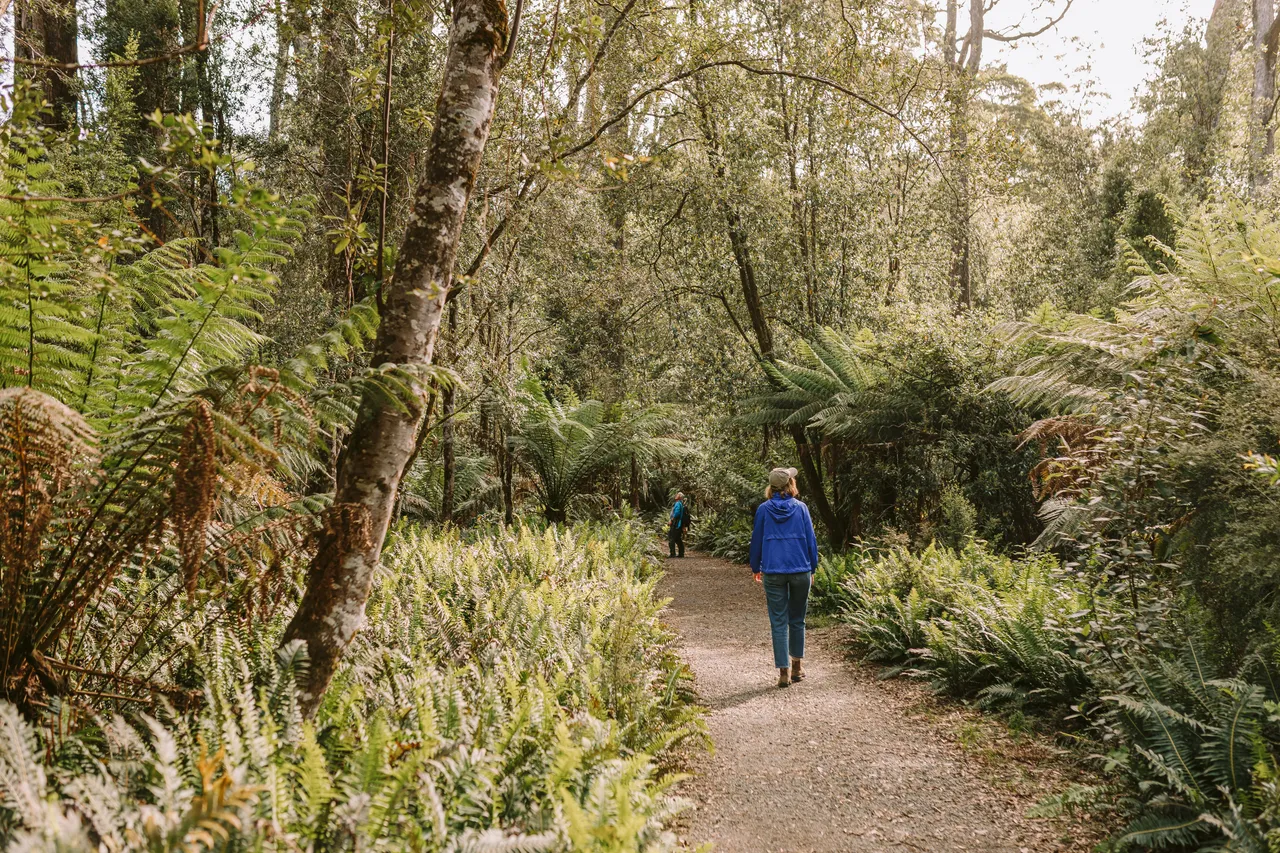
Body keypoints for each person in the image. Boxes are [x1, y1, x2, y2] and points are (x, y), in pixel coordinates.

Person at [749, 466, 819, 688]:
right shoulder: (801, 509)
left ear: (771, 487)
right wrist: (813, 568)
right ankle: (797, 666)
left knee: (778, 621)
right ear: (790, 485)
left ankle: (783, 673)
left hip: (773, 571)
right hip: (800, 570)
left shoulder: (763, 510)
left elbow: (757, 539)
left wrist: (755, 567)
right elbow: (811, 540)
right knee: (797, 619)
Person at [668, 491, 690, 558]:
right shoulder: (680, 503)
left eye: (677, 495)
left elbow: (677, 513)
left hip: (676, 524)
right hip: (679, 524)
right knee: (677, 539)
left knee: (671, 538)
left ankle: (672, 553)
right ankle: (681, 553)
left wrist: (671, 520)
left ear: (680, 497)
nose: (676, 495)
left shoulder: (678, 503)